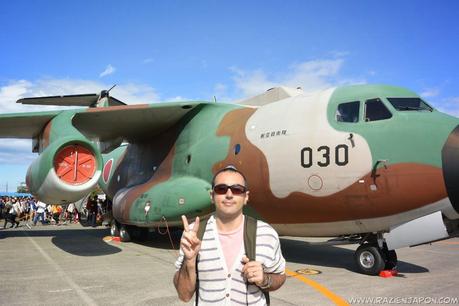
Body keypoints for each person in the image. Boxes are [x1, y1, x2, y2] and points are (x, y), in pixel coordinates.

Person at [173, 166, 286, 305]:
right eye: (221, 189)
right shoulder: (194, 235)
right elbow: (184, 295)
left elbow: (280, 276)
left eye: (237, 189)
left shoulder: (266, 233)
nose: (229, 194)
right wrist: (189, 262)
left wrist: (264, 279)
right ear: (212, 196)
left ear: (246, 197)